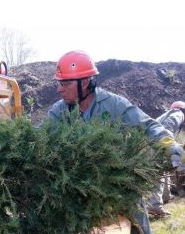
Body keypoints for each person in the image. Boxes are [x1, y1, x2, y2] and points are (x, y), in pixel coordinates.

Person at [47, 50, 185, 234]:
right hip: (81, 195)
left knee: (138, 228)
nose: (59, 88)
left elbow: (147, 125)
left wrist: (168, 144)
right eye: (59, 82)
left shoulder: (113, 104)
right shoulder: (59, 112)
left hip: (120, 190)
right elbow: (38, 136)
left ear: (85, 82)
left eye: (65, 83)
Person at [147, 101, 185, 216]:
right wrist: (172, 147)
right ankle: (154, 206)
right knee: (158, 173)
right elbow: (167, 128)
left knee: (164, 170)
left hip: (153, 143)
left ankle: (166, 196)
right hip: (158, 144)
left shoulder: (167, 115)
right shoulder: (178, 113)